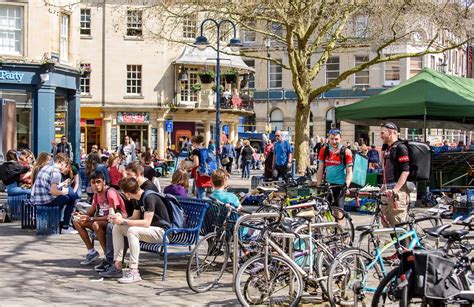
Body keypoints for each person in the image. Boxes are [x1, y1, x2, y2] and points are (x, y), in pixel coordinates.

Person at [108, 177, 171, 283]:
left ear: (127, 193)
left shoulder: (149, 197)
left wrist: (125, 221)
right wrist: (120, 220)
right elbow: (134, 218)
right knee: (117, 227)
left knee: (133, 231)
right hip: (150, 230)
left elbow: (146, 222)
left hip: (163, 232)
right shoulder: (138, 199)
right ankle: (117, 265)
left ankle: (134, 271)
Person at [72, 171, 127, 266]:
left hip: (116, 221)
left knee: (95, 224)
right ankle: (92, 252)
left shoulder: (110, 193)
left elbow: (112, 216)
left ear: (104, 182)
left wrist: (92, 219)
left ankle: (108, 257)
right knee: (77, 221)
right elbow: (91, 211)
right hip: (101, 220)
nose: (96, 185)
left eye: (98, 182)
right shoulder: (96, 195)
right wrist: (81, 215)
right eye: (93, 183)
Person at [31, 153, 76, 233]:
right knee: (70, 199)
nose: (66, 169)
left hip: (38, 198)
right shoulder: (56, 172)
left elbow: (48, 186)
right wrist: (63, 192)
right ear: (61, 162)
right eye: (65, 165)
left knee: (66, 198)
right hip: (45, 200)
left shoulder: (46, 167)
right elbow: (53, 191)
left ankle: (57, 223)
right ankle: (64, 227)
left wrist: (62, 184)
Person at [379, 122, 410, 227]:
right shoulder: (388, 148)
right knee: (386, 223)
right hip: (387, 188)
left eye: (383, 133)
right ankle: (396, 243)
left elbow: (405, 171)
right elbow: (383, 165)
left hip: (397, 190)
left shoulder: (400, 148)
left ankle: (404, 244)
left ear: (391, 132)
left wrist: (395, 190)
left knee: (399, 225)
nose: (380, 136)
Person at [315, 129, 353, 209]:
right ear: (328, 138)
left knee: (338, 212)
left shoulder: (346, 152)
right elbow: (320, 169)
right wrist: (319, 184)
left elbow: (349, 172)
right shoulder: (324, 150)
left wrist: (346, 186)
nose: (334, 141)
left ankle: (341, 221)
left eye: (336, 139)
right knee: (325, 211)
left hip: (340, 186)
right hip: (328, 185)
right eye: (332, 139)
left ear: (341, 139)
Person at [188, 135, 213, 199]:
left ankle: (203, 206)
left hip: (199, 174)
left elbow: (196, 163)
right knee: (202, 192)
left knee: (201, 193)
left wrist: (188, 167)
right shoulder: (206, 150)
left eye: (192, 143)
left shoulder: (196, 150)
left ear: (194, 143)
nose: (192, 145)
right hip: (207, 172)